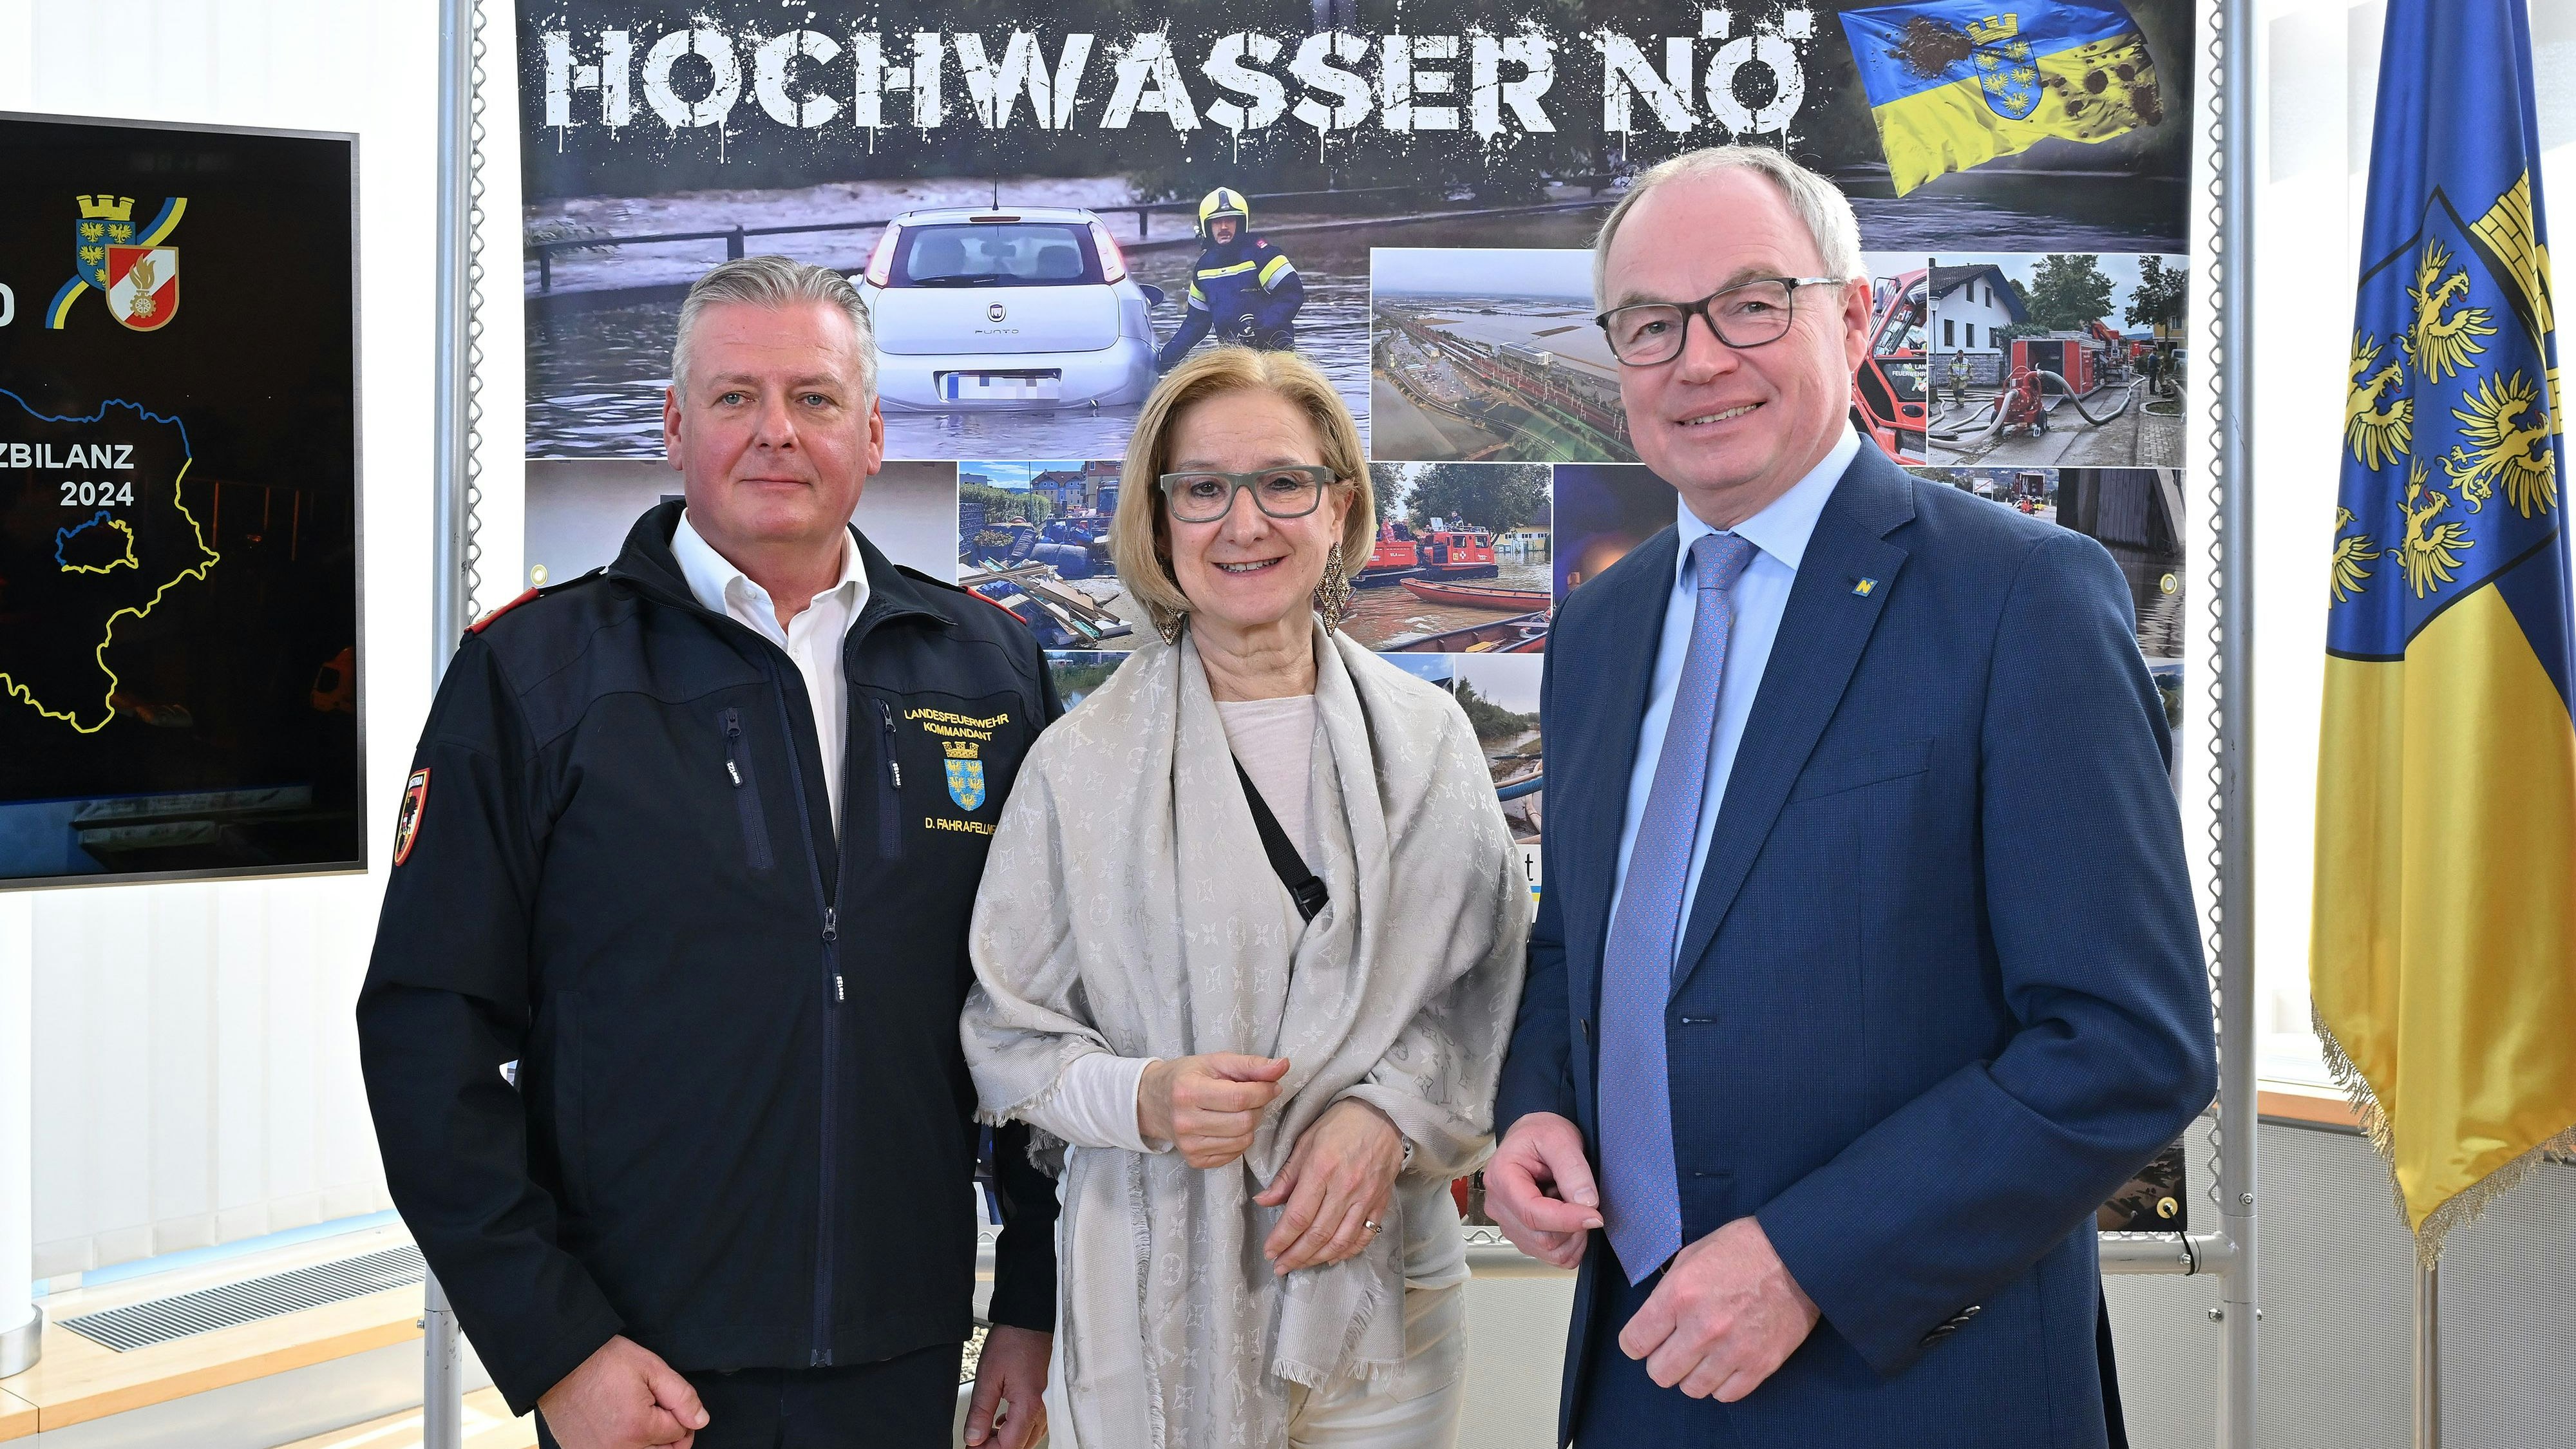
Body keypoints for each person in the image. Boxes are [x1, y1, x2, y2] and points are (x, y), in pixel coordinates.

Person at [1486, 146, 2215, 1447]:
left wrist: (1806, 1262)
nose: (1698, 359)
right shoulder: (1597, 631)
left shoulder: (2017, 599)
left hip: (1917, 1383)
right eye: (1650, 324)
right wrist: (1536, 1099)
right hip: (1638, 1372)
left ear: (1853, 313)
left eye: (1750, 303)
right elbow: (1581, 938)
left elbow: (2126, 1044)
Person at [356, 256, 1060, 1449]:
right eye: (736, 398)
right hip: (639, 1369)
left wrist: (1034, 1303)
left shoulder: (987, 669)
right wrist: (553, 1345)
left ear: (874, 432)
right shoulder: (536, 674)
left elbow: (1045, 1012)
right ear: (675, 428)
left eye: (816, 398)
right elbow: (430, 1034)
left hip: (905, 1346)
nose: (776, 432)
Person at [960, 346, 1528, 1448]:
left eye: (1282, 482)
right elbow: (1007, 1039)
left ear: (1339, 508)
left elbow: (1488, 993)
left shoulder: (1430, 741)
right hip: (1151, 1302)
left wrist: (1387, 1117)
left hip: (1387, 1301)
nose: (1244, 522)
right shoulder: (1079, 765)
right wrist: (1147, 1097)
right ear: (1160, 518)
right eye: (1202, 489)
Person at [1155, 187, 1305, 372]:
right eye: (1217, 222)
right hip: (1236, 364)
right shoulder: (1203, 268)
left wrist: (1263, 327)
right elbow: (1196, 324)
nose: (1224, 227)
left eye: (1230, 220)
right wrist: (1163, 361)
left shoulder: (1264, 255)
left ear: (1241, 223)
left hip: (1277, 359)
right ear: (1206, 226)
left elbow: (1292, 293)